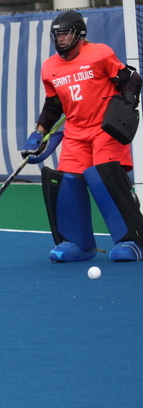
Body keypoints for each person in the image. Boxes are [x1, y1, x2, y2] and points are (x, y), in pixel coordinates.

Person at [21, 9, 143, 262]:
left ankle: (132, 241)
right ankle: (79, 243)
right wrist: (38, 133)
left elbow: (131, 78)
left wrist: (128, 103)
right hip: (75, 134)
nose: (60, 40)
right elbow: (53, 106)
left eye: (66, 34)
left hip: (105, 130)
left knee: (103, 179)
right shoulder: (49, 67)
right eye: (57, 35)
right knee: (68, 183)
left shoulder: (101, 53)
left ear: (79, 34)